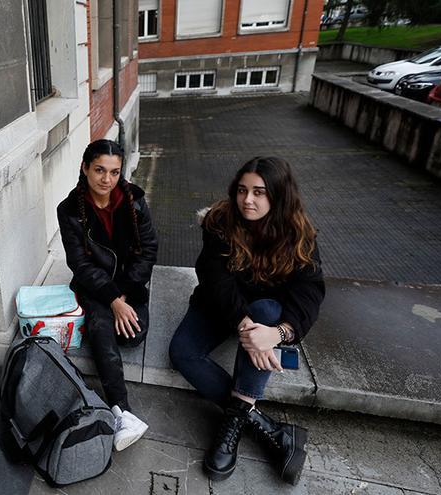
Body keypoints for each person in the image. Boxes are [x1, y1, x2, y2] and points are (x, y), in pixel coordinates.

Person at [168, 157, 325, 485]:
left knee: (267, 309)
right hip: (219, 307)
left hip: (267, 317)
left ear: (279, 195)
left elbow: (309, 292)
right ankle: (260, 425)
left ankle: (232, 426)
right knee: (181, 351)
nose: (247, 200)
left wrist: (279, 333)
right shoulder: (220, 221)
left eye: (259, 192)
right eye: (242, 190)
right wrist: (245, 326)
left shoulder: (299, 234)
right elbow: (215, 280)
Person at [56, 139, 158, 451]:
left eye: (114, 172)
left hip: (130, 285)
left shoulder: (135, 202)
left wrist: (124, 295)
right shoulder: (69, 211)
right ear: (85, 168)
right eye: (100, 170)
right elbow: (81, 264)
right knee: (101, 327)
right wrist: (112, 300)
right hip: (94, 287)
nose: (107, 179)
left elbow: (148, 250)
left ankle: (106, 317)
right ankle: (121, 410)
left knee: (132, 336)